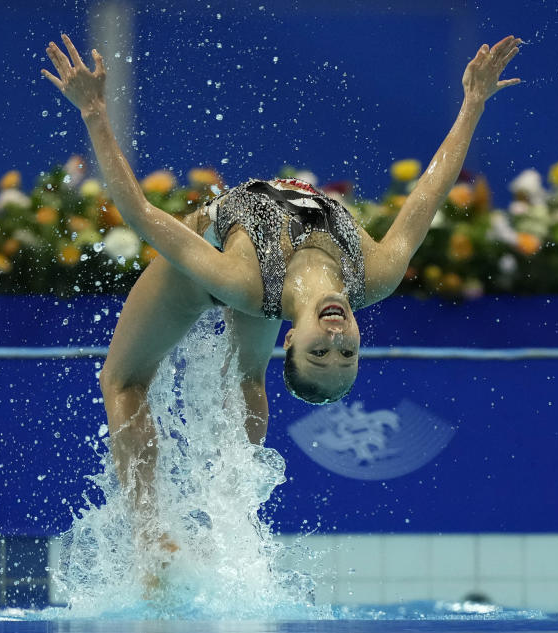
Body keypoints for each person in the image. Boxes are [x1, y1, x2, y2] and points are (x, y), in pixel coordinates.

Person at [42, 33, 520, 565]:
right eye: (347, 353)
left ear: (292, 339)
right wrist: (473, 103)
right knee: (247, 374)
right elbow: (430, 190)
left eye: (321, 352)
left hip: (212, 253)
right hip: (270, 286)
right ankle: (226, 526)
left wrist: (94, 112)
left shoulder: (241, 282)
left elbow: (141, 215)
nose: (336, 340)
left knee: (123, 379)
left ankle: (151, 533)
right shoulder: (377, 275)